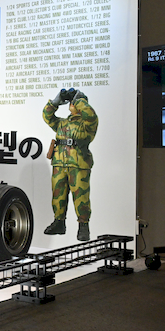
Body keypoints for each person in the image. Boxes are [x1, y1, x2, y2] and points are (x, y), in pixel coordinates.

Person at [42, 88, 98, 241]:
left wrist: (79, 100)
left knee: (81, 196)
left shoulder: (87, 124)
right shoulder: (62, 123)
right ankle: (59, 222)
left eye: (74, 103)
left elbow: (90, 115)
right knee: (58, 194)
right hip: (59, 163)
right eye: (72, 102)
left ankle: (83, 226)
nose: (72, 104)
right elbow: (47, 116)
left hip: (78, 164)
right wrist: (55, 102)